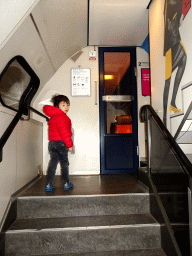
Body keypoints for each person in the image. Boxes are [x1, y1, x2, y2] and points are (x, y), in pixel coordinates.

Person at [163, 0, 188, 127]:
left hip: (175, 39)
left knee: (184, 59)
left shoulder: (174, 5)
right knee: (167, 80)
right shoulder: (170, 4)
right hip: (170, 44)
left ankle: (172, 102)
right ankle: (164, 118)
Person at [43, 94, 73, 191]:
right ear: (57, 106)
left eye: (68, 105)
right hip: (61, 143)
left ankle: (49, 184)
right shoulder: (62, 117)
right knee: (64, 164)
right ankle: (66, 183)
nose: (66, 107)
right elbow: (64, 132)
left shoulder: (53, 117)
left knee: (53, 163)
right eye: (63, 105)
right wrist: (69, 145)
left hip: (52, 144)